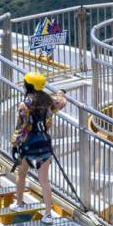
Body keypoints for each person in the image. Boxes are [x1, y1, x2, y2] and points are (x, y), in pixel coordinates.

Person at [12, 71, 69, 216]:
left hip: (28, 147)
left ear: (28, 86)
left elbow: (22, 128)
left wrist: (15, 143)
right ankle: (48, 214)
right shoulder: (49, 102)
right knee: (44, 181)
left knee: (21, 174)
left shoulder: (24, 105)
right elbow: (61, 102)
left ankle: (18, 203)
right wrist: (60, 93)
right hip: (44, 145)